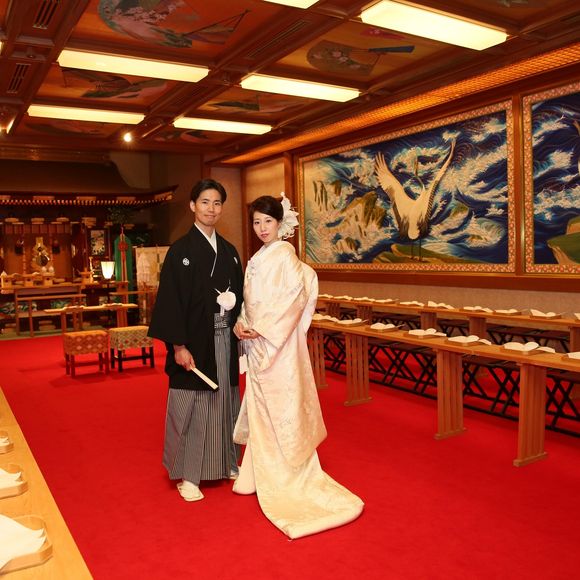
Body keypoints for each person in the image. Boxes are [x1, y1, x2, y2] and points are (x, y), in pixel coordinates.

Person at [232, 194, 364, 539]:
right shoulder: (257, 259)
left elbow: (293, 301)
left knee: (281, 408)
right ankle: (257, 474)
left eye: (268, 221)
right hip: (258, 344)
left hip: (278, 347)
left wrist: (262, 328)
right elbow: (249, 302)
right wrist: (241, 323)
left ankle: (286, 477)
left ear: (280, 224)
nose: (262, 228)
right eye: (257, 222)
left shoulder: (286, 258)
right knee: (261, 409)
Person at [148, 179, 244, 502]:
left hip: (225, 339)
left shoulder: (230, 253)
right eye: (205, 202)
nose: (211, 209)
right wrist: (178, 345)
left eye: (217, 203)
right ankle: (189, 476)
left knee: (225, 401)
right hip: (193, 341)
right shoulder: (180, 252)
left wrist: (242, 328)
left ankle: (227, 463)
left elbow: (242, 299)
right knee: (194, 406)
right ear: (192, 205)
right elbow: (170, 302)